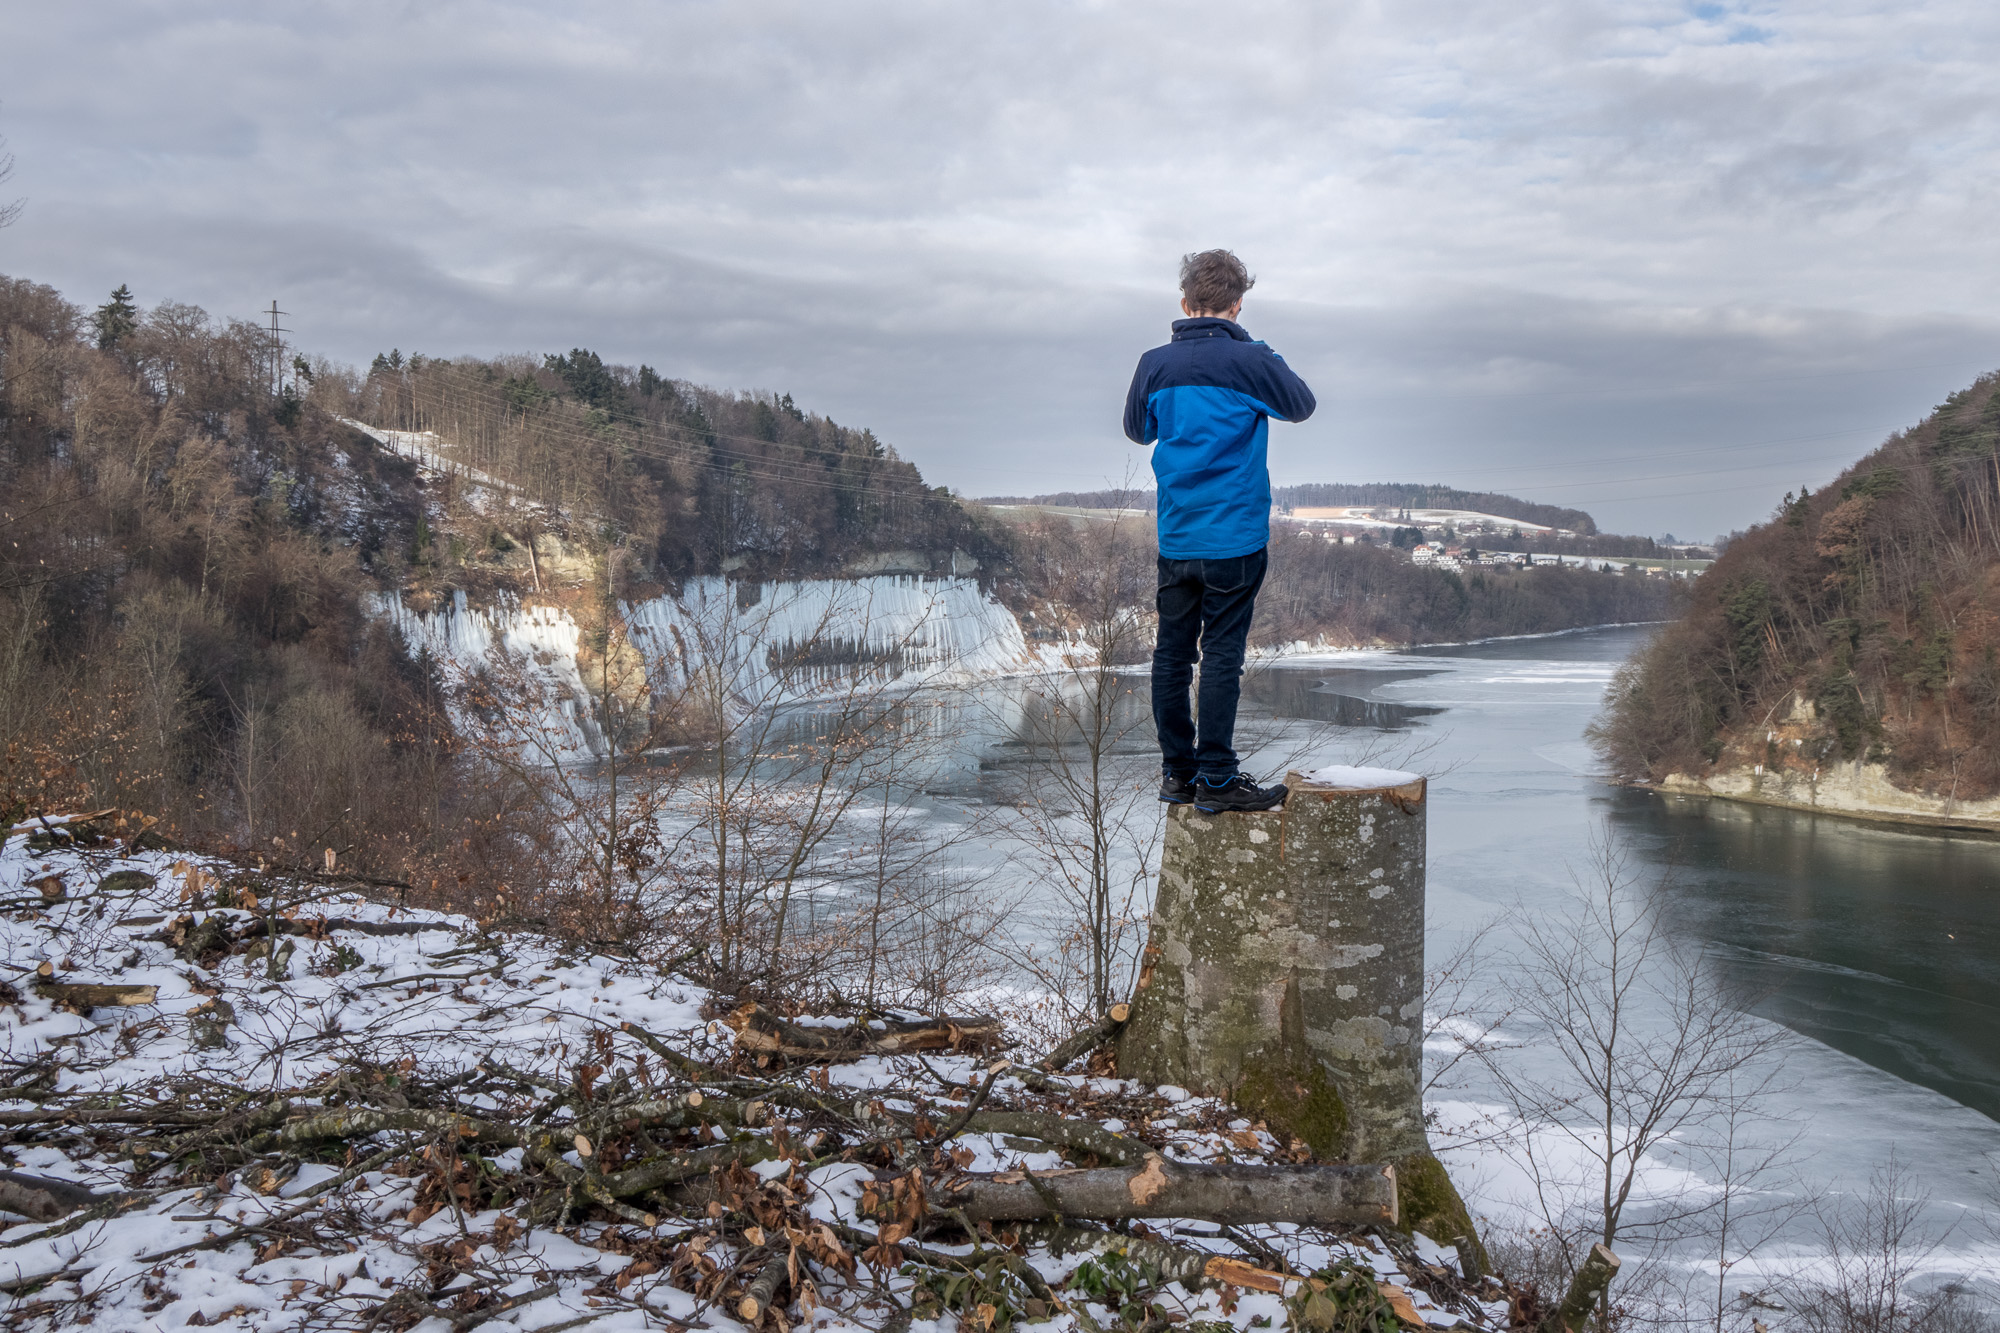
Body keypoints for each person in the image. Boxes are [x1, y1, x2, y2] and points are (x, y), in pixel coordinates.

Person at [1123, 249, 1316, 814]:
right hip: (1235, 536)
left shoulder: (1155, 364)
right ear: (1237, 305)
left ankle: (1177, 776)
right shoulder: (1250, 360)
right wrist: (1253, 348)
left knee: (1171, 657)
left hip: (1177, 535)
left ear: (1184, 303)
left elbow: (1138, 431)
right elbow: (1300, 405)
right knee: (1221, 656)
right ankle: (1216, 779)